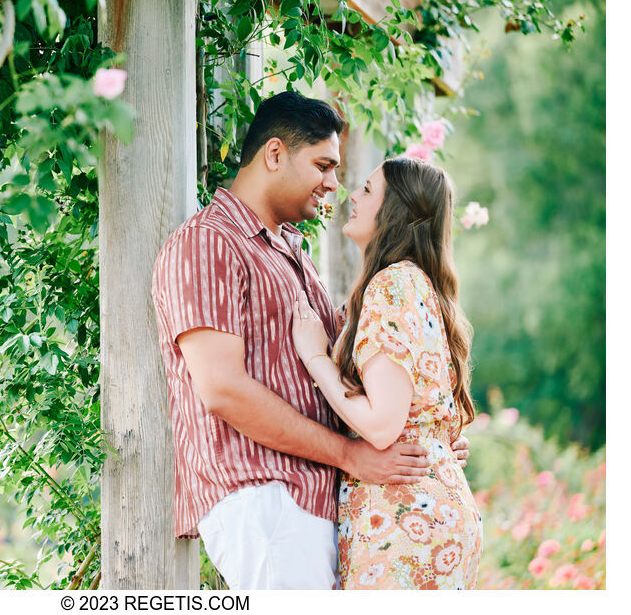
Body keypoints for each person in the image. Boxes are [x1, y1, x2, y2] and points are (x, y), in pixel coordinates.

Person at [150, 91, 469, 590]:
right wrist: (350, 456)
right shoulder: (209, 243)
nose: (333, 185)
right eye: (323, 165)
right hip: (265, 496)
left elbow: (369, 366)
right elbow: (222, 389)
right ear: (274, 154)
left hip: (318, 497)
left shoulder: (291, 252)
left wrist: (423, 440)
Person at [291, 156, 483, 589]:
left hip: (406, 524)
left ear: (394, 211)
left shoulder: (393, 284)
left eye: (367, 190)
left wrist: (315, 356)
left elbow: (381, 425)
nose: (351, 197)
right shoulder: (419, 285)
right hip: (431, 511)